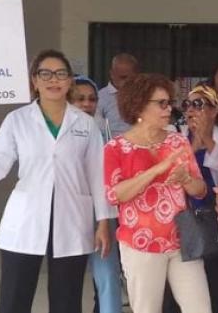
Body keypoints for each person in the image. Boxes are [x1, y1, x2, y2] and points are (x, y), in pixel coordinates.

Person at [0, 49, 113, 313]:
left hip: (72, 218)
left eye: (61, 73)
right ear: (34, 81)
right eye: (45, 73)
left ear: (70, 80)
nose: (53, 79)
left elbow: (98, 175)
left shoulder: (85, 123)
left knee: (68, 301)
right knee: (15, 298)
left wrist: (103, 222)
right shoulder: (17, 120)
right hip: (25, 219)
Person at [103, 73, 212, 313]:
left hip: (181, 240)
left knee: (200, 308)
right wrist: (157, 170)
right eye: (161, 103)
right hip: (140, 245)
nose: (168, 109)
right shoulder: (116, 148)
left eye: (169, 102)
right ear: (139, 104)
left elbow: (200, 189)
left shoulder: (177, 142)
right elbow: (115, 195)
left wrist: (185, 180)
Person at [178, 84, 218, 313]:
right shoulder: (176, 134)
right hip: (184, 222)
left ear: (214, 110)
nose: (191, 109)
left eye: (198, 104)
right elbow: (174, 172)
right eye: (187, 104)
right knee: (187, 291)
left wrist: (208, 140)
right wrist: (194, 144)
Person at [71, 75, 123, 313]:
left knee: (108, 275)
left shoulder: (104, 133)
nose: (86, 104)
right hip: (68, 213)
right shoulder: (56, 136)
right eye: (79, 99)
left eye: (91, 99)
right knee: (68, 278)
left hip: (101, 214)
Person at [97, 53, 139, 138]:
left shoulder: (142, 95)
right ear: (112, 74)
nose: (127, 81)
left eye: (131, 78)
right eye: (123, 77)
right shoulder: (100, 97)